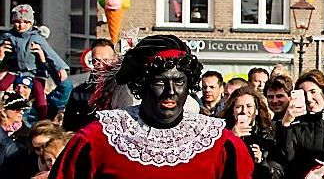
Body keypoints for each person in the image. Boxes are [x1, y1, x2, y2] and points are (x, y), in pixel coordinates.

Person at [48, 34, 254, 178]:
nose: (171, 91)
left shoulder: (218, 142)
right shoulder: (99, 138)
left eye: (179, 82)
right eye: (160, 82)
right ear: (141, 85)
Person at [1, 4, 70, 119]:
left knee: (40, 97)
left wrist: (60, 68)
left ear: (31, 23)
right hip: (15, 71)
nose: (21, 25)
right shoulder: (9, 36)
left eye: (25, 22)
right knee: (2, 87)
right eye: (17, 21)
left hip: (35, 72)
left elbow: (51, 54)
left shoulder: (36, 38)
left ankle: (42, 119)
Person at [222, 84, 283, 179]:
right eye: (239, 107)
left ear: (257, 110)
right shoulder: (222, 132)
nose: (244, 111)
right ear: (233, 111)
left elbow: (278, 172)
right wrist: (232, 137)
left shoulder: (270, 132)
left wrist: (262, 161)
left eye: (249, 106)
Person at [63, 39, 118, 131]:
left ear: (115, 60)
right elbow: (69, 125)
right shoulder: (79, 92)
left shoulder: (122, 88)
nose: (101, 65)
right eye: (96, 60)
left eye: (106, 60)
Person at [0, 92, 32, 174]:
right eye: (17, 110)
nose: (22, 112)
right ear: (4, 111)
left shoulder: (26, 133)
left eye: (23, 110)